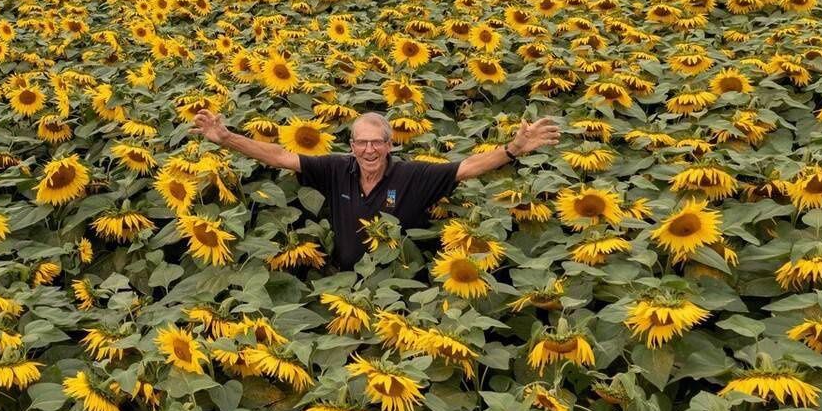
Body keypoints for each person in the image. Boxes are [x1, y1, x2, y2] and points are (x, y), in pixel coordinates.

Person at [189, 109, 560, 269]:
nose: (369, 150)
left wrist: (514, 149)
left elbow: (466, 167)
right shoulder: (336, 169)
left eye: (376, 143)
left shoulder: (412, 175)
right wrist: (226, 138)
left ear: (389, 144)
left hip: (396, 285)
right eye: (361, 143)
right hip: (344, 279)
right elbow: (281, 156)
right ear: (351, 145)